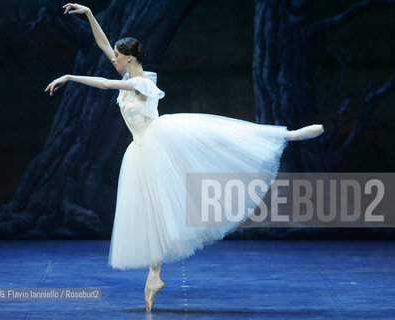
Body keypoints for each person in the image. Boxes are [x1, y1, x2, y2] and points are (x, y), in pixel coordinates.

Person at [45, 3, 324, 312]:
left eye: (118, 55)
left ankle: (285, 135)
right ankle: (154, 276)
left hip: (158, 140)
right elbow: (102, 45)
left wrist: (70, 76)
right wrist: (89, 14)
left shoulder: (141, 83)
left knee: (217, 138)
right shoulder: (130, 72)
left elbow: (107, 84)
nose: (113, 57)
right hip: (142, 147)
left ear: (130, 58)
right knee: (156, 212)